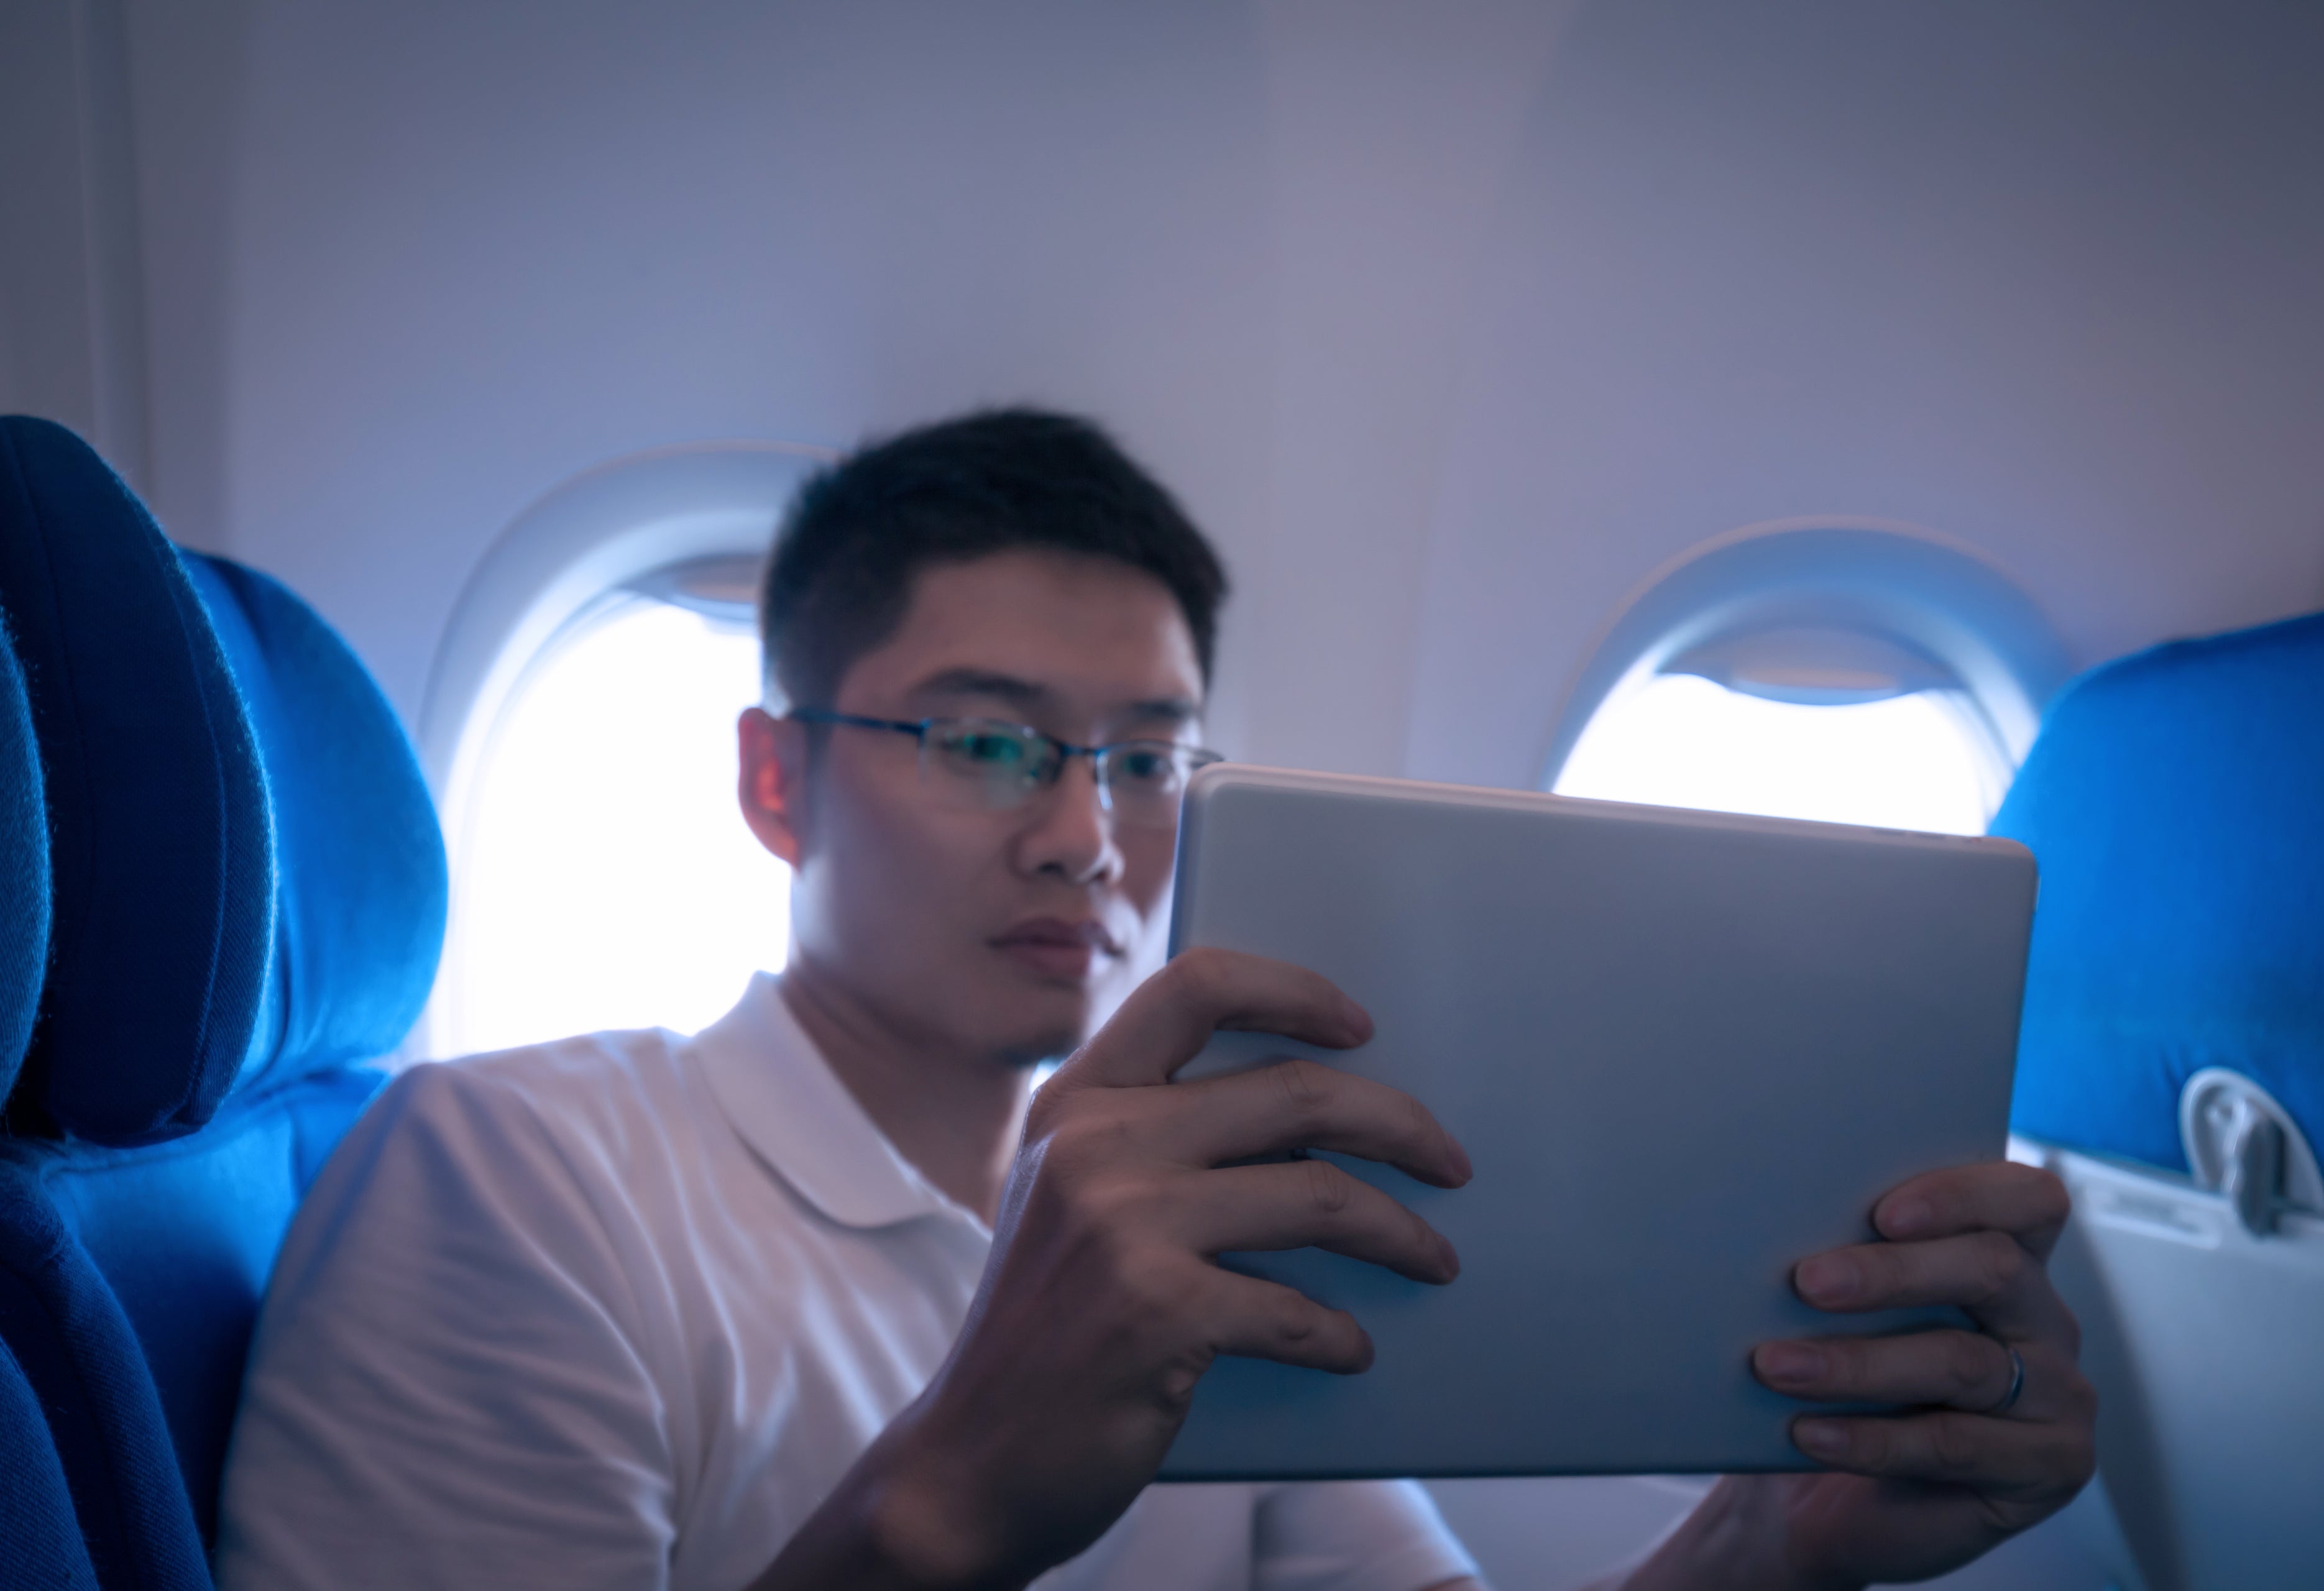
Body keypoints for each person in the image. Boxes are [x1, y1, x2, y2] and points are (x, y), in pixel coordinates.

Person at [216, 408, 2095, 1591]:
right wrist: (946, 1509)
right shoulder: (511, 1178)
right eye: (983, 741)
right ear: (775, 779)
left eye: (1146, 758)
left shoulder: (1206, 1213)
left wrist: (1768, 1545)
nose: (1085, 839)